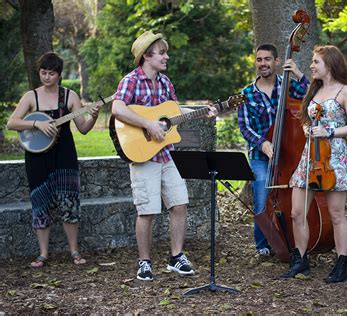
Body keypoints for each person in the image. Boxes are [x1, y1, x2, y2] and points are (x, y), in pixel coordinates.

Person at [111, 31, 217, 281]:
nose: (166, 56)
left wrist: (202, 112)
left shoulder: (165, 82)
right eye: (162, 52)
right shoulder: (131, 80)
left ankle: (176, 257)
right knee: (147, 211)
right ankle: (144, 262)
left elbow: (174, 112)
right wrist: (148, 124)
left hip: (167, 155)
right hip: (143, 155)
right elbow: (117, 108)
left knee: (180, 204)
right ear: (147, 56)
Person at [6, 52, 101, 268]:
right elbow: (12, 123)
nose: (46, 77)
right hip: (37, 157)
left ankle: (74, 251)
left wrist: (93, 116)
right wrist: (36, 124)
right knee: (40, 202)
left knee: (69, 201)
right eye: (43, 72)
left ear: (59, 75)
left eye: (51, 73)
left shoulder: (70, 97)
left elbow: (84, 129)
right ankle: (43, 254)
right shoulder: (31, 97)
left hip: (65, 155)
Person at [281, 45, 347, 281]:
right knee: (296, 213)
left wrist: (328, 131)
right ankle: (301, 260)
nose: (312, 65)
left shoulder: (345, 91)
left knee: (336, 214)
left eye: (316, 62)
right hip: (310, 156)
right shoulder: (314, 90)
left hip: (334, 156)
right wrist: (307, 127)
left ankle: (341, 264)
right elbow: (306, 117)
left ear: (330, 64)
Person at [238, 43, 309, 256]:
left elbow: (311, 93)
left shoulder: (287, 85)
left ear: (276, 61)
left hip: (288, 152)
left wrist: (298, 73)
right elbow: (245, 126)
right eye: (259, 60)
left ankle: (291, 238)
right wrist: (263, 143)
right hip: (261, 155)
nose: (263, 64)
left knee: (290, 196)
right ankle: (263, 243)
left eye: (267, 59)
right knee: (261, 197)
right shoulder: (247, 93)